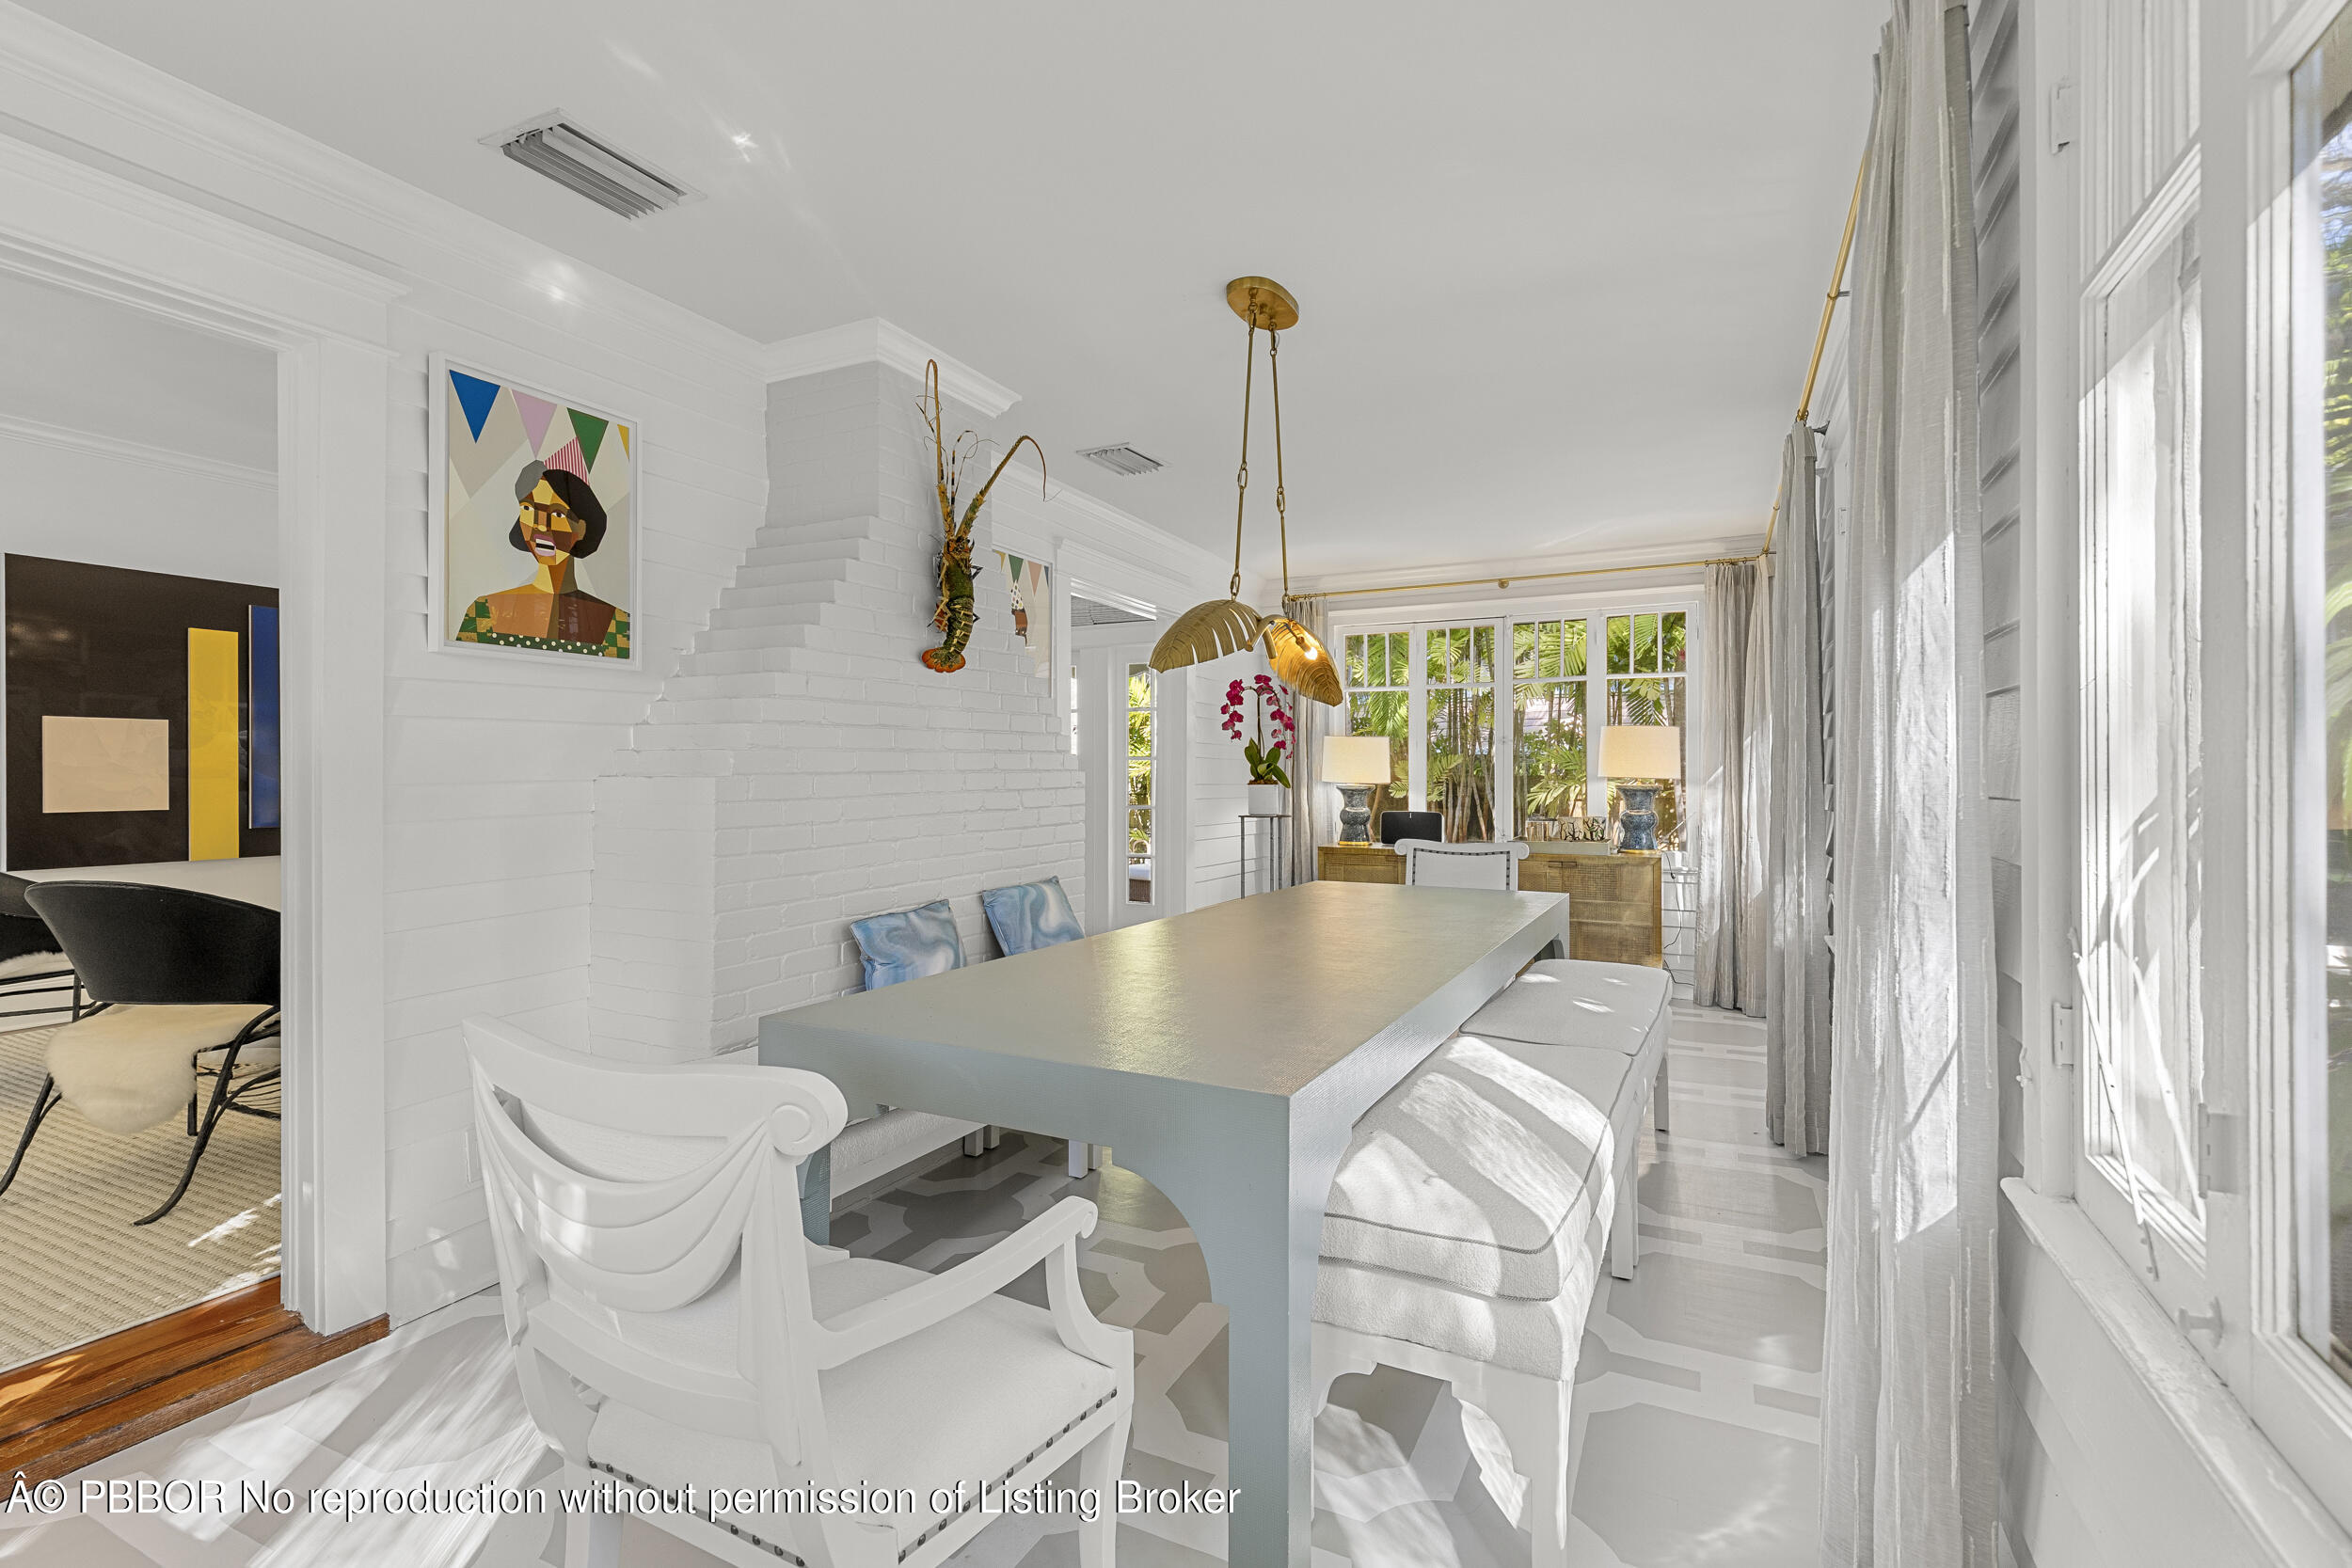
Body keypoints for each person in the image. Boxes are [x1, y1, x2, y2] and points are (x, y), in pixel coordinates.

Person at [454, 458, 628, 657]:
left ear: (581, 528)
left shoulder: (617, 624)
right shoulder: (483, 613)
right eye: (528, 509)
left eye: (557, 514)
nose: (541, 525)